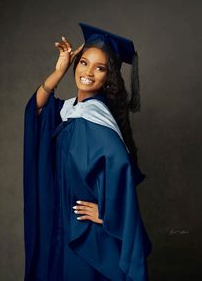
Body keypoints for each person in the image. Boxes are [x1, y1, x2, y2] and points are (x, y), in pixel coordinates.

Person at [23, 22, 152, 281]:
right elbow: (36, 111)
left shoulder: (97, 121)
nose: (89, 72)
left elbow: (121, 175)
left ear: (109, 77)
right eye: (84, 62)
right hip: (59, 222)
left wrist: (106, 213)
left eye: (100, 68)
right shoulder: (68, 111)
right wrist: (59, 71)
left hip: (85, 235)